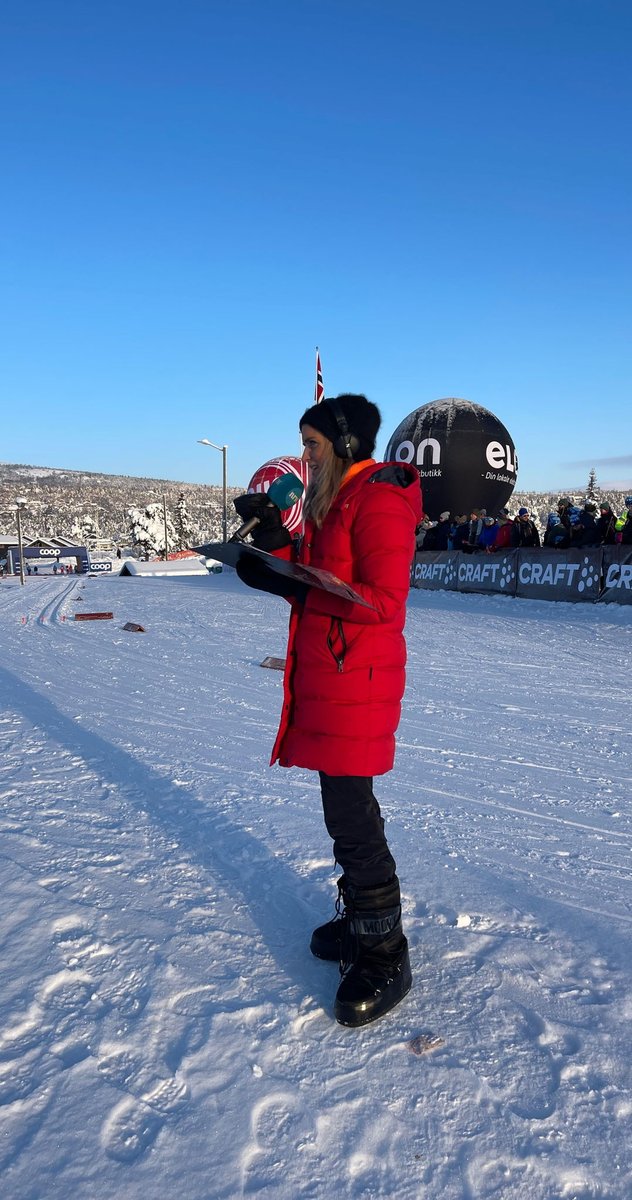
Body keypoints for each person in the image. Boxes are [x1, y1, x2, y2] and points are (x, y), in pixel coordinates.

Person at [233, 394, 422, 1027]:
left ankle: (385, 951)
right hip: (334, 679)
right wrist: (267, 551)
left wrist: (292, 582)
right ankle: (360, 923)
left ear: (344, 443)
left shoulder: (381, 501)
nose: (305, 456)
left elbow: (381, 602)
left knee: (352, 818)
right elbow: (318, 575)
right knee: (344, 809)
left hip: (357, 682)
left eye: (312, 445)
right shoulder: (334, 502)